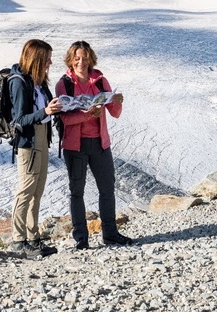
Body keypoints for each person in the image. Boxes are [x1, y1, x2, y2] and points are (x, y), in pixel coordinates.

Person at [55, 40, 135, 249]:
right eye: (77, 58)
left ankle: (110, 233)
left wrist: (116, 101)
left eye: (85, 57)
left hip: (100, 143)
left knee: (107, 188)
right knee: (77, 191)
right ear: (70, 60)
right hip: (75, 145)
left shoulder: (100, 81)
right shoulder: (64, 84)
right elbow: (64, 119)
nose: (81, 62)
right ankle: (81, 237)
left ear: (90, 58)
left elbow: (115, 113)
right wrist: (87, 115)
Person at [8, 39, 63, 258]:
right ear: (37, 59)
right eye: (47, 57)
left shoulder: (38, 82)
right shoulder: (20, 83)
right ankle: (18, 240)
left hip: (41, 138)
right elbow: (19, 119)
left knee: (37, 190)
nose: (50, 61)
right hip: (29, 141)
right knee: (26, 189)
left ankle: (33, 238)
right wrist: (46, 112)